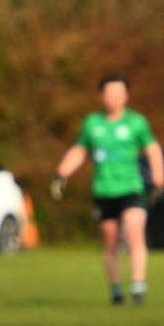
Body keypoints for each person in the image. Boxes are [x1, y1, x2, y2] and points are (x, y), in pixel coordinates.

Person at [51, 74, 164, 304]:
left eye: (119, 93)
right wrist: (62, 173)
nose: (114, 98)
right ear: (102, 96)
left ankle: (138, 286)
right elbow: (79, 151)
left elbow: (152, 149)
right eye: (110, 93)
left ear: (126, 96)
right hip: (104, 190)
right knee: (110, 241)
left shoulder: (136, 123)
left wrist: (158, 177)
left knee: (134, 231)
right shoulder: (92, 124)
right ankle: (115, 289)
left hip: (131, 187)